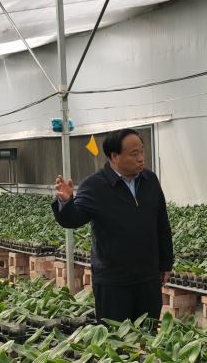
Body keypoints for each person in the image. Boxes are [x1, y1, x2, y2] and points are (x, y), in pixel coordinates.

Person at [52, 128, 173, 323]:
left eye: (142, 151)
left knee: (148, 333)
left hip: (148, 277)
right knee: (115, 334)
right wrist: (66, 202)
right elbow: (73, 219)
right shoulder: (94, 186)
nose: (141, 158)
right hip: (114, 281)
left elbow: (161, 223)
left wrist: (166, 263)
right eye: (134, 154)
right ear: (114, 156)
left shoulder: (150, 180)